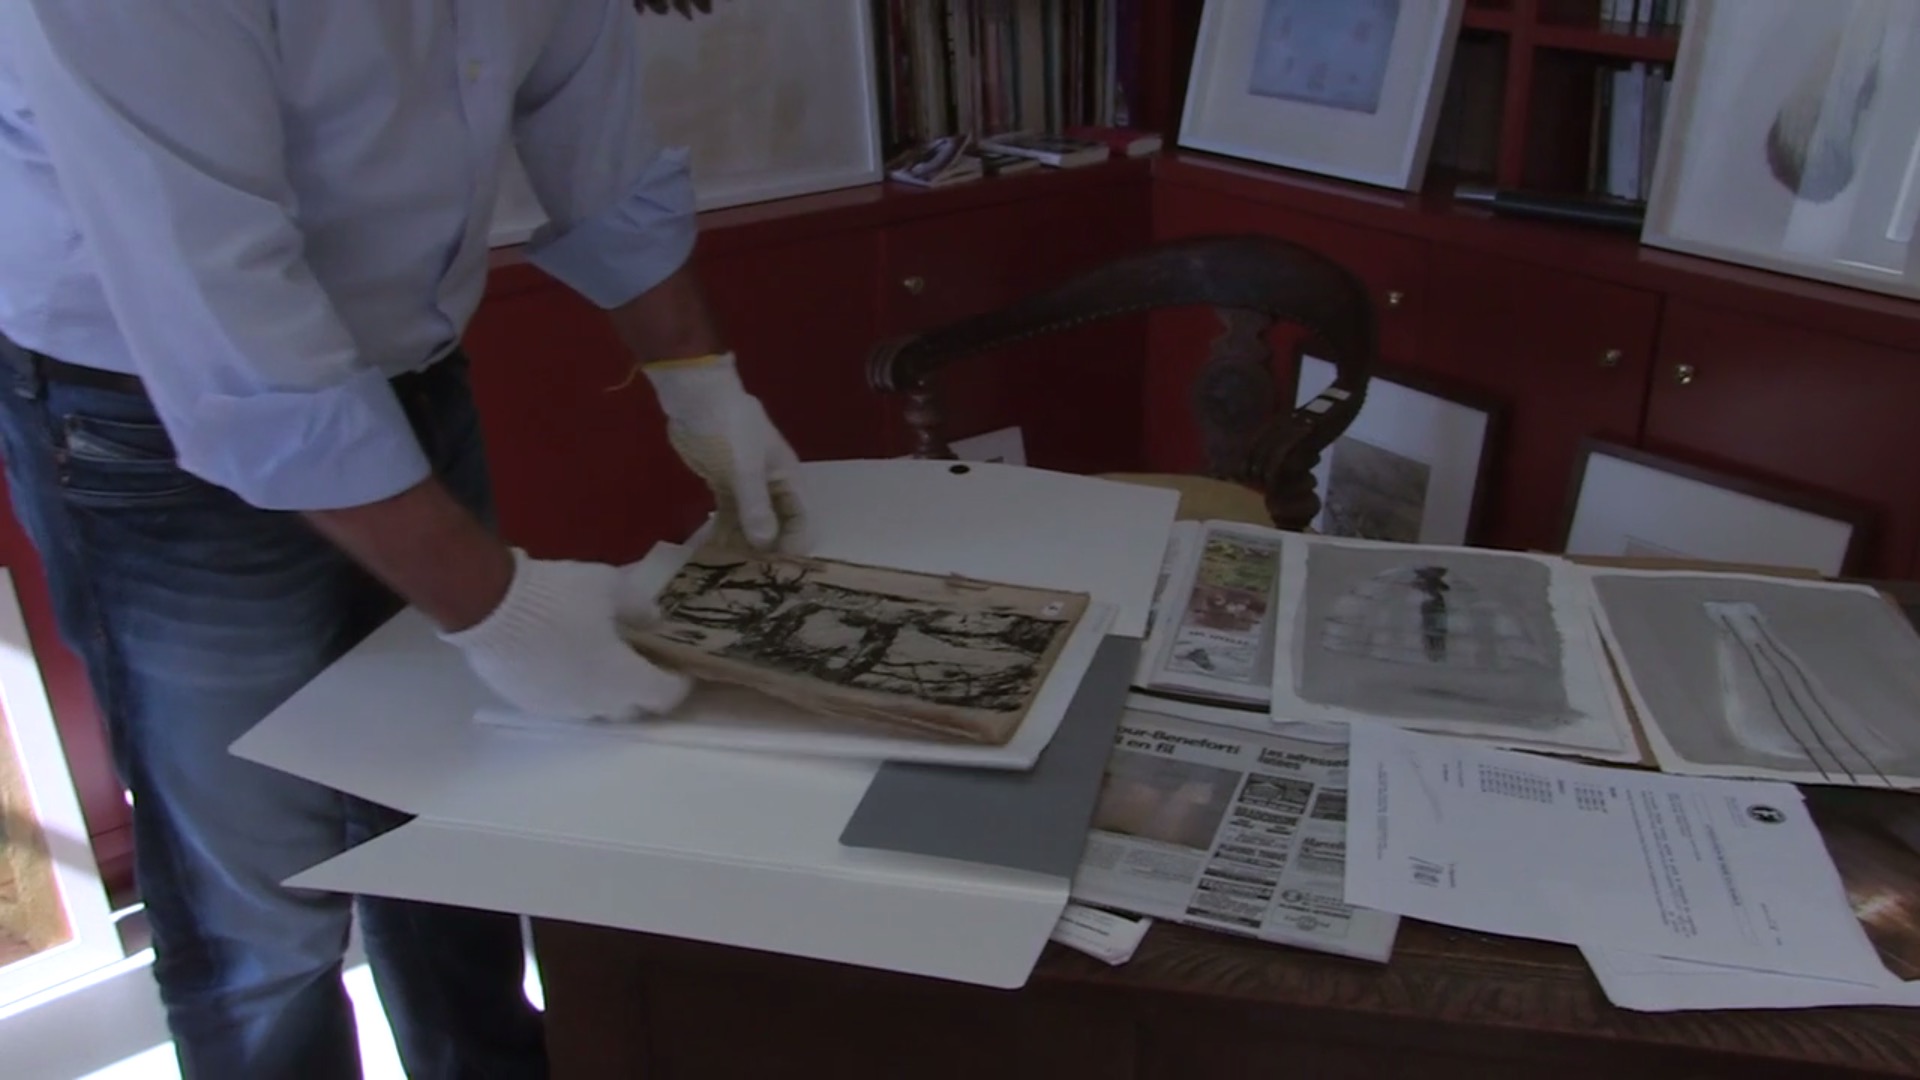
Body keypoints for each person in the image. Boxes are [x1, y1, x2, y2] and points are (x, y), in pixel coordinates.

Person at [0, 2, 809, 1076]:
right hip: (146, 409)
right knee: (260, 915)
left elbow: (594, 145)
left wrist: (702, 387)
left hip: (405, 363)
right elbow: (228, 323)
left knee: (446, 834)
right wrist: (500, 608)